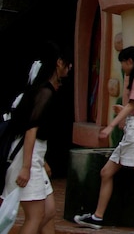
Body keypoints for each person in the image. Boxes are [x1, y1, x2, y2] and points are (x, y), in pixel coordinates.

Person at [73, 46, 134, 233]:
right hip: (133, 130)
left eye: (123, 63)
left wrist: (110, 126)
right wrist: (124, 112)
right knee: (106, 172)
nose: (123, 68)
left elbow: (133, 105)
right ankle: (97, 217)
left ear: (130, 62)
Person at [1, 42, 72, 234]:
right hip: (28, 157)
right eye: (67, 63)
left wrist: (42, 162)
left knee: (48, 211)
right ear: (59, 63)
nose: (69, 67)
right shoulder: (44, 93)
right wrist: (26, 167)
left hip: (34, 157)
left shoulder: (40, 91)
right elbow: (31, 130)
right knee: (36, 216)